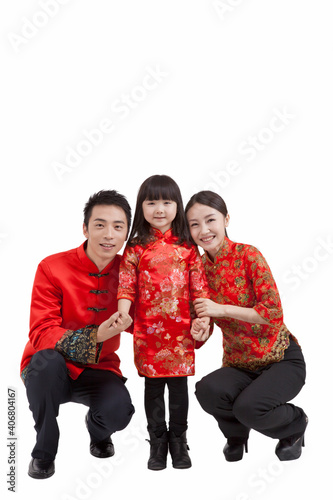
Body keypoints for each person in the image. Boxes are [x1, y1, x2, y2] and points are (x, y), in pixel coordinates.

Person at [20, 190, 135, 479]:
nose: (108, 234)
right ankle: (44, 452)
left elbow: (144, 323)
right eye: (99, 224)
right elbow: (42, 330)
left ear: (126, 234)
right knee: (46, 363)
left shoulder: (130, 272)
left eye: (118, 227)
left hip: (100, 367)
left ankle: (98, 432)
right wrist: (95, 336)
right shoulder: (52, 266)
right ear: (85, 228)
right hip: (49, 366)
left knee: (120, 412)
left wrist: (192, 326)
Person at [185, 190, 307, 462]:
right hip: (239, 364)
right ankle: (236, 435)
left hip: (280, 359)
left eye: (210, 220)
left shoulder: (248, 255)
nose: (203, 230)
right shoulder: (198, 271)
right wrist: (201, 331)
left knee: (249, 408)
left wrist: (221, 309)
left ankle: (295, 425)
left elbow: (272, 312)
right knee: (207, 390)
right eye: (194, 224)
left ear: (226, 219)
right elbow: (205, 323)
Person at [117, 175, 210, 470]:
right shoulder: (134, 248)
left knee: (180, 388)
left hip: (181, 330)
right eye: (152, 201)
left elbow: (200, 288)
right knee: (153, 390)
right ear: (141, 206)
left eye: (167, 202)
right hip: (148, 330)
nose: (160, 209)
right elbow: (126, 286)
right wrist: (123, 312)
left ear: (177, 206)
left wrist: (203, 320)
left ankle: (179, 443)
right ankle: (157, 444)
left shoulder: (187, 247)